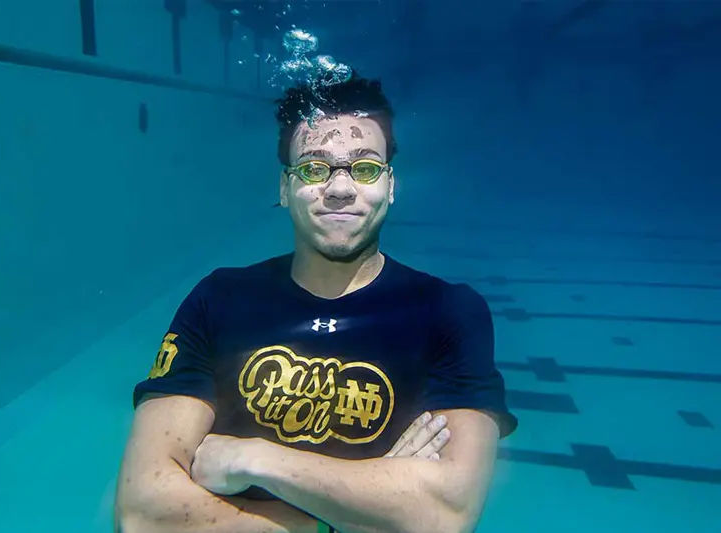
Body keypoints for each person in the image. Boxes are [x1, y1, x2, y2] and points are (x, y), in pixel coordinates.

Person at [114, 72, 518, 533]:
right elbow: (143, 511)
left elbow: (446, 513)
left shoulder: (448, 313)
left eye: (364, 167)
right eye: (313, 168)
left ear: (390, 185)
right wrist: (340, 520)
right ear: (285, 188)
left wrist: (253, 458)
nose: (341, 188)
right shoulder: (220, 299)